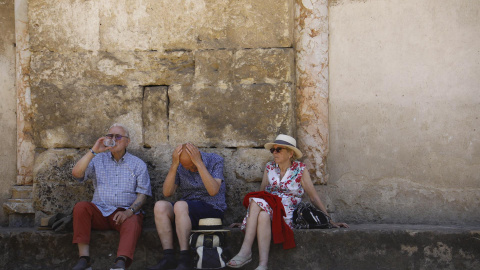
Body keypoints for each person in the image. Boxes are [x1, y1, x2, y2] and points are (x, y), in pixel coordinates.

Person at [227, 134, 348, 270]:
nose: (274, 153)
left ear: (290, 153)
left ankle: (245, 251)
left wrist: (329, 220)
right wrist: (249, 220)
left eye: (279, 150)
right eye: (273, 150)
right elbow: (261, 195)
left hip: (286, 215)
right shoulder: (269, 168)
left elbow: (313, 197)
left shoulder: (300, 169)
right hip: (269, 209)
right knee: (261, 213)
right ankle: (263, 265)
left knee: (259, 205)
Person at [70, 123, 152, 270]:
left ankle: (120, 261)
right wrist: (94, 151)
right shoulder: (98, 159)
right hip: (100, 211)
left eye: (118, 136)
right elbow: (76, 174)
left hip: (123, 214)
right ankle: (84, 259)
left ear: (127, 142)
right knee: (81, 207)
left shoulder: (138, 164)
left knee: (134, 219)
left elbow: (143, 194)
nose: (113, 139)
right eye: (110, 136)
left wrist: (128, 212)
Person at [147, 143, 227, 270]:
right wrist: (174, 165)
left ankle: (185, 257)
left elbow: (213, 191)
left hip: (212, 207)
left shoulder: (215, 160)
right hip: (185, 210)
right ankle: (169, 257)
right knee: (160, 206)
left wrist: (199, 164)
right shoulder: (180, 166)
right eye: (187, 167)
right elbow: (167, 193)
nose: (191, 169)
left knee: (180, 205)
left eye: (192, 165)